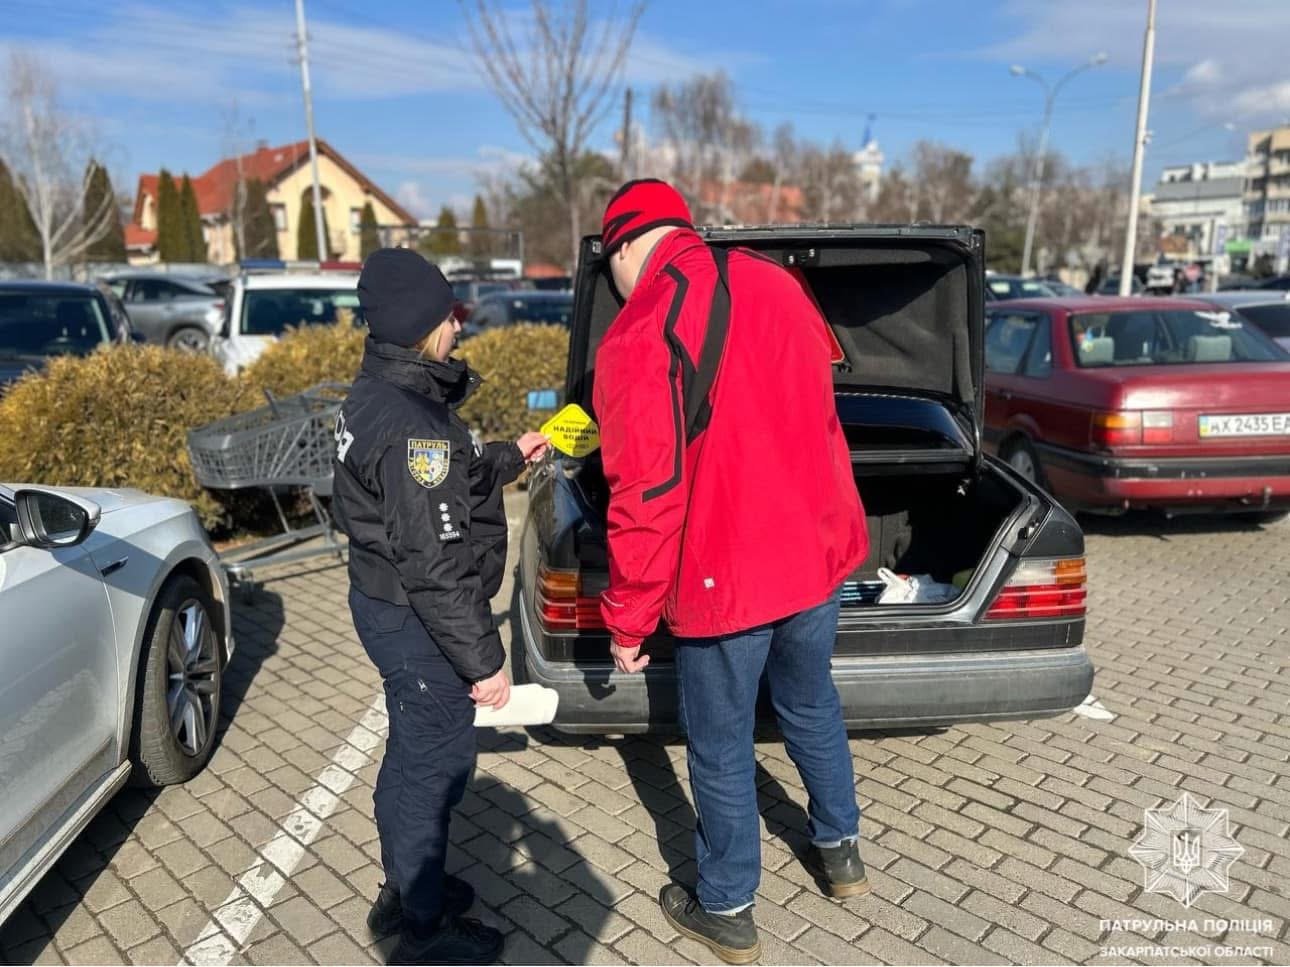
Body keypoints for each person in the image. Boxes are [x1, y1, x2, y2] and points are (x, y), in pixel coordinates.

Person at [592, 180, 870, 965]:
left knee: (718, 746)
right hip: (811, 558)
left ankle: (726, 906)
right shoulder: (776, 281)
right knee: (812, 702)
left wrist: (629, 617)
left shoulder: (641, 327)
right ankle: (841, 852)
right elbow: (821, 413)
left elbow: (646, 493)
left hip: (725, 577)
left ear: (623, 246)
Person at [331, 248, 548, 966]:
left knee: (410, 751)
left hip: (382, 601)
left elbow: (436, 483)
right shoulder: (412, 425)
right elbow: (435, 563)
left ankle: (405, 883)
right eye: (449, 314)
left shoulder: (378, 391)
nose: (460, 324)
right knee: (434, 764)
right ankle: (423, 925)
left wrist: (509, 457)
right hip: (414, 616)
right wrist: (485, 663)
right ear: (421, 325)